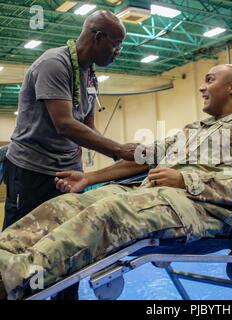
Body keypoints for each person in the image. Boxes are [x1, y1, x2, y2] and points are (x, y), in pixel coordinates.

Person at [0, 64, 232, 300]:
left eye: (210, 79)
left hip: (204, 211)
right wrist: (89, 177)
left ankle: (13, 279)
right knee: (68, 204)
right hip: (155, 196)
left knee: (111, 212)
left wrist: (184, 179)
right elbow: (144, 156)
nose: (202, 86)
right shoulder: (196, 130)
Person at [2, 11, 139, 299]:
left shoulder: (90, 74)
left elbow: (88, 127)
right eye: (116, 43)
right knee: (21, 246)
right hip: (32, 171)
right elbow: (64, 123)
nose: (118, 51)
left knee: (69, 244)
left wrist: (107, 162)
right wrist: (118, 151)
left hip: (68, 172)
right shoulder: (55, 64)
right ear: (97, 36)